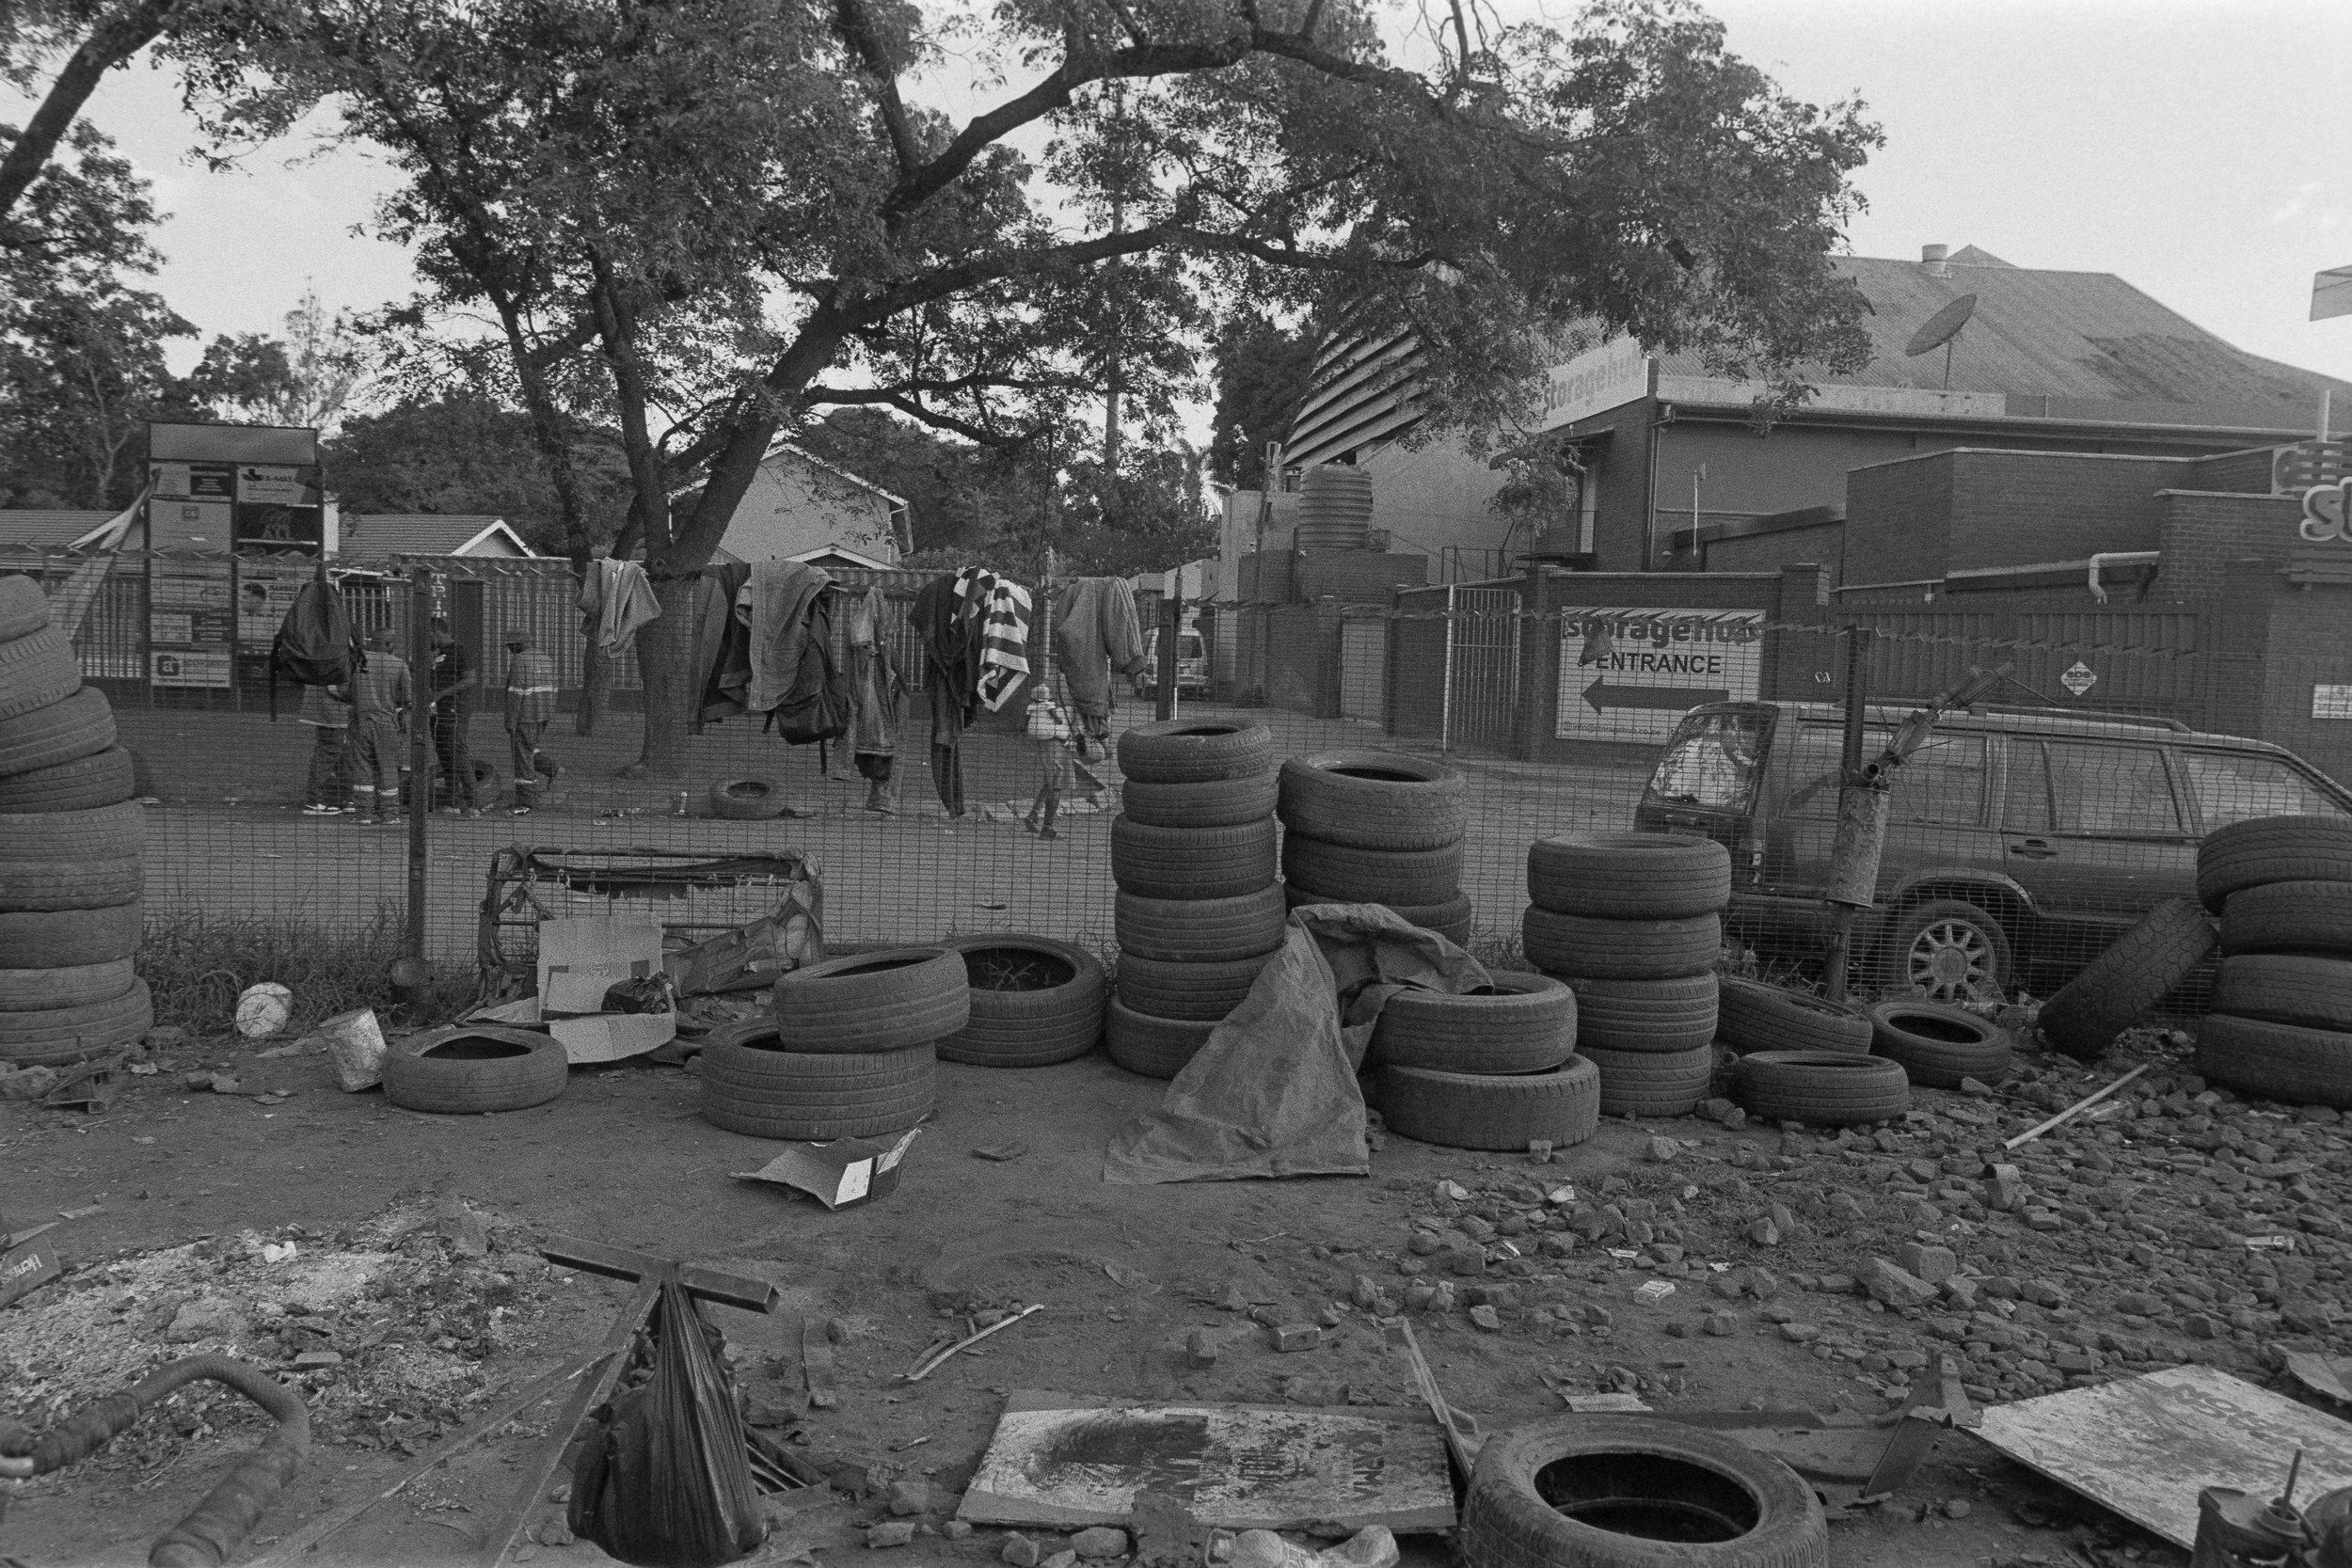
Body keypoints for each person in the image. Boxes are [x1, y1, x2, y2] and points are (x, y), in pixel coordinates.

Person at [345, 630, 409, 827]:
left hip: (360, 721)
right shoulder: (398, 664)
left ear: (373, 643)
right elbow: (409, 699)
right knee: (388, 767)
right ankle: (390, 814)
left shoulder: (357, 662)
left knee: (362, 767)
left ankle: (364, 813)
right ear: (390, 644)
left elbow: (344, 692)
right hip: (387, 723)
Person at [428, 615, 482, 816]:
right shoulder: (437, 654)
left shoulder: (459, 651)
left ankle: (472, 803)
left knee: (457, 752)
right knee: (444, 755)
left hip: (455, 710)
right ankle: (452, 802)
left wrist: (443, 693)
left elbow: (470, 680)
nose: (428, 639)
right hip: (437, 712)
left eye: (429, 634)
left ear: (437, 632)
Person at [501, 632, 558, 815]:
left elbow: (515, 692)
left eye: (511, 646)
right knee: (529, 749)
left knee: (522, 757)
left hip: (524, 715)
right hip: (543, 713)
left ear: (520, 644)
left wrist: (510, 720)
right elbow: (553, 689)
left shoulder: (520, 661)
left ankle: (527, 801)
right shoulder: (546, 659)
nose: (510, 650)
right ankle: (552, 768)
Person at [296, 676, 353, 816]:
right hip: (333, 712)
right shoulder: (338, 656)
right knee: (328, 754)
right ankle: (314, 802)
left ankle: (347, 798)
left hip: (325, 711)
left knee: (341, 755)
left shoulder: (321, 655)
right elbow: (335, 688)